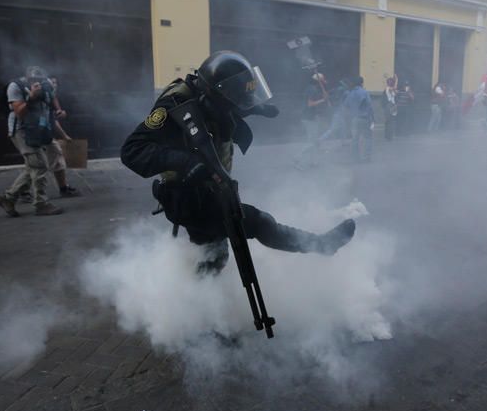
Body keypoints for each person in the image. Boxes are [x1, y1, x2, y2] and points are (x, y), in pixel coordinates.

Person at [120, 51, 355, 273]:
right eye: (236, 101)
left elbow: (221, 108)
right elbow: (132, 150)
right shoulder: (175, 105)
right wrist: (185, 162)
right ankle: (321, 245)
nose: (236, 106)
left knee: (215, 254)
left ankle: (196, 301)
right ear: (216, 93)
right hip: (185, 198)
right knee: (258, 222)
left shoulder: (209, 97)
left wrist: (255, 108)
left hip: (207, 191)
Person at [0, 66, 65, 217]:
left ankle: (9, 198)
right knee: (40, 165)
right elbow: (19, 112)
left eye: (40, 79)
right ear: (26, 78)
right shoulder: (15, 86)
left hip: (39, 128)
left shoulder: (46, 83)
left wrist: (58, 109)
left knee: (33, 166)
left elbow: (52, 97)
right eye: (34, 80)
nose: (37, 82)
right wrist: (31, 97)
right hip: (22, 130)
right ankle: (41, 204)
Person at [295, 72, 329, 169]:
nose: (324, 82)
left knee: (313, 140)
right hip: (309, 118)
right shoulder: (312, 90)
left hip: (310, 117)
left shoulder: (310, 88)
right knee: (312, 142)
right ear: (318, 81)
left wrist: (324, 95)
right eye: (322, 80)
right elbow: (310, 104)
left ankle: (313, 162)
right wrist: (323, 100)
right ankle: (298, 157)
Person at [341, 76, 375, 162]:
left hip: (354, 119)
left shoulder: (350, 93)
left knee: (355, 139)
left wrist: (349, 117)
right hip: (364, 119)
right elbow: (370, 107)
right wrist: (372, 119)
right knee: (368, 138)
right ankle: (366, 157)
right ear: (362, 83)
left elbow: (345, 106)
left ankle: (355, 157)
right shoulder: (364, 92)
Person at [382, 76, 398, 141]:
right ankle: (389, 136)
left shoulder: (389, 89)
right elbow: (395, 89)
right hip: (390, 105)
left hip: (391, 105)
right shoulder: (388, 88)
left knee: (389, 121)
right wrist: (397, 80)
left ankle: (388, 136)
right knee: (390, 121)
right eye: (392, 82)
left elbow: (395, 92)